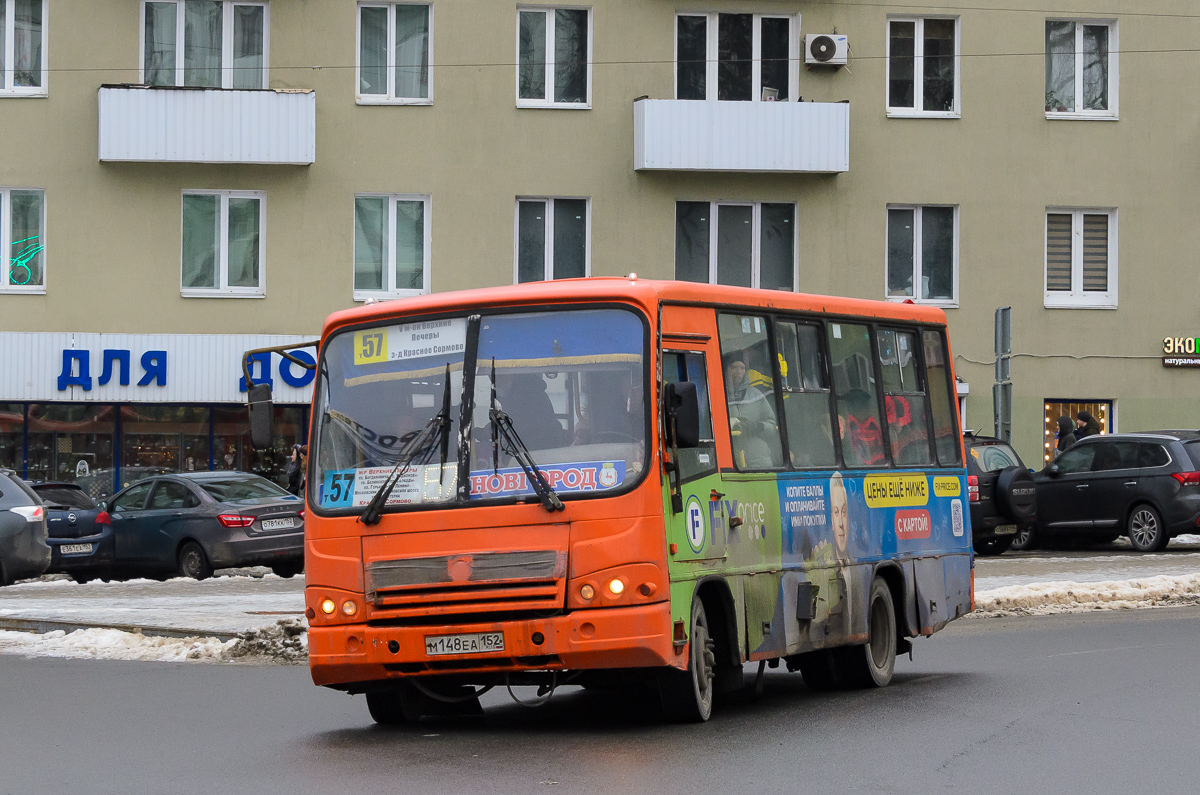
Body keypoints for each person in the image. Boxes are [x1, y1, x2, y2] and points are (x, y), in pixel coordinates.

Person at [723, 351, 780, 468]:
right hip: (729, 460)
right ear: (725, 369)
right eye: (734, 367)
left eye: (742, 368)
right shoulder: (716, 394)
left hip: (760, 461)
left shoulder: (756, 395)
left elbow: (772, 425)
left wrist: (758, 427)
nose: (738, 372)